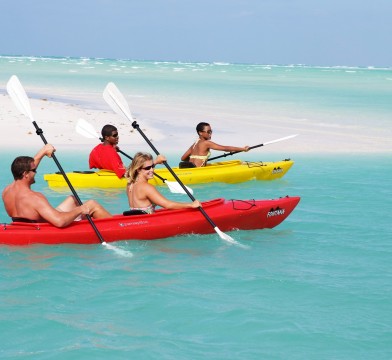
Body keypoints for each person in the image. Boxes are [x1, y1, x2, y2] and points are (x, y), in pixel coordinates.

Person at [2, 144, 112, 227]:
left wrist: (43, 151)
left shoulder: (7, 191)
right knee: (91, 204)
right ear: (25, 174)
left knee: (72, 199)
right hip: (50, 225)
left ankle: (84, 226)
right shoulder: (34, 198)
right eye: (34, 171)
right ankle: (116, 226)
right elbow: (59, 221)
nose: (36, 172)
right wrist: (80, 210)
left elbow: (28, 167)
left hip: (31, 223)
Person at [125, 152, 201, 214]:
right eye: (148, 168)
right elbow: (168, 205)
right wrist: (191, 205)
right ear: (138, 170)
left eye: (152, 166)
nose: (152, 170)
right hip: (149, 224)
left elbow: (142, 167)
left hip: (137, 221)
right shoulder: (146, 187)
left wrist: (156, 162)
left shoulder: (130, 185)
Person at [89, 124, 166, 178]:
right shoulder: (112, 154)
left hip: (103, 174)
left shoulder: (96, 149)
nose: (117, 137)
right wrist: (155, 162)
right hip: (115, 182)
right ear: (107, 137)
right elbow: (128, 175)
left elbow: (98, 162)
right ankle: (156, 161)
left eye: (117, 135)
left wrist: (112, 148)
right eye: (114, 135)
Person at [180, 122, 250, 167]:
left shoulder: (194, 144)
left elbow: (183, 158)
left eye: (211, 131)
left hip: (190, 168)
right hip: (198, 171)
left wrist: (194, 160)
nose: (210, 133)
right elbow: (225, 148)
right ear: (200, 133)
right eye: (208, 131)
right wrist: (243, 149)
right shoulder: (207, 143)